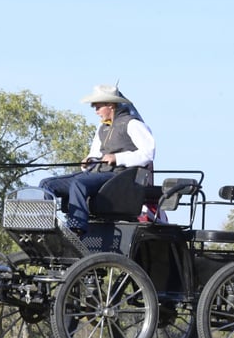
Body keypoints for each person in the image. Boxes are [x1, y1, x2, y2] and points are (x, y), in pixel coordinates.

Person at [40, 84, 155, 235]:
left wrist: (117, 158)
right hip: (99, 174)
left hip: (120, 177)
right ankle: (45, 224)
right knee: (47, 184)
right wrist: (89, 161)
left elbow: (148, 153)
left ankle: (76, 227)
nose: (96, 112)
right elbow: (95, 154)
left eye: (98, 107)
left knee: (79, 183)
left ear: (110, 105)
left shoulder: (132, 124)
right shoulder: (102, 129)